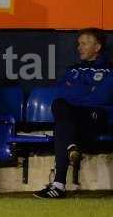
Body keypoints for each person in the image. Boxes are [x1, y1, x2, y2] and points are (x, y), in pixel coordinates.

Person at [33, 28, 113, 199]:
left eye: (84, 43)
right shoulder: (73, 69)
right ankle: (70, 150)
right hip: (73, 118)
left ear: (97, 47)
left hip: (96, 117)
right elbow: (60, 93)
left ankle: (58, 185)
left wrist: (76, 94)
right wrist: (85, 92)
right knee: (59, 105)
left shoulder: (109, 70)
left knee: (63, 124)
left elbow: (101, 98)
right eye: (79, 44)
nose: (79, 47)